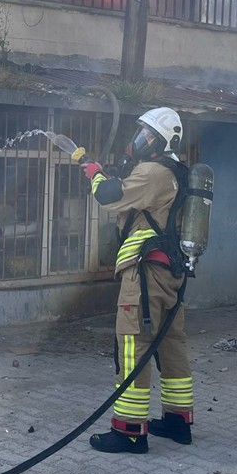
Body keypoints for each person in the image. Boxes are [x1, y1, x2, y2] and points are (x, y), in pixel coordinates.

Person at [80, 107, 193, 454]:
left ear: (161, 142)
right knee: (172, 344)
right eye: (140, 133)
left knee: (133, 345)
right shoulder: (177, 172)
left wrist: (95, 175)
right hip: (171, 274)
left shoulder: (153, 172)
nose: (139, 140)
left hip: (144, 274)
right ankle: (178, 421)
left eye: (146, 135)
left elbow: (109, 197)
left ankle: (129, 431)